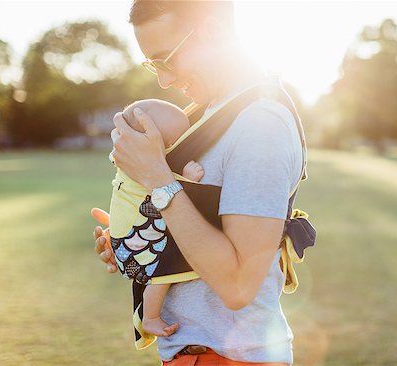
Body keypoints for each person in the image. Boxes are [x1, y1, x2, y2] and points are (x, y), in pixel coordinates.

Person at [93, 1, 303, 365]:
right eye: (153, 65)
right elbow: (190, 222)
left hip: (233, 357)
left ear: (210, 31)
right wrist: (141, 237)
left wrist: (158, 179)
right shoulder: (209, 114)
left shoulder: (260, 125)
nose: (165, 80)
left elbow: (238, 285)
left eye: (166, 59)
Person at [107, 99, 205, 338]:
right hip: (133, 241)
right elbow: (167, 188)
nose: (179, 147)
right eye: (173, 143)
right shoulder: (138, 165)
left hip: (126, 234)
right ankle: (149, 317)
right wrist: (188, 178)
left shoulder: (125, 159)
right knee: (163, 271)